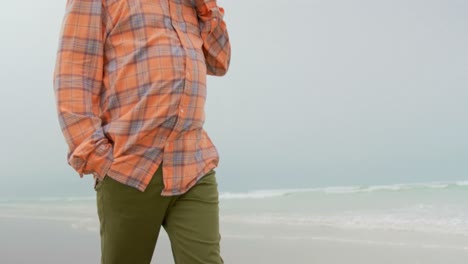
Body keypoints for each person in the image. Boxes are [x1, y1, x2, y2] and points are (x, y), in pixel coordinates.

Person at [52, 0, 231, 263]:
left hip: (192, 161)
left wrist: (205, 7)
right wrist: (99, 158)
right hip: (129, 166)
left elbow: (220, 61)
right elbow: (73, 77)